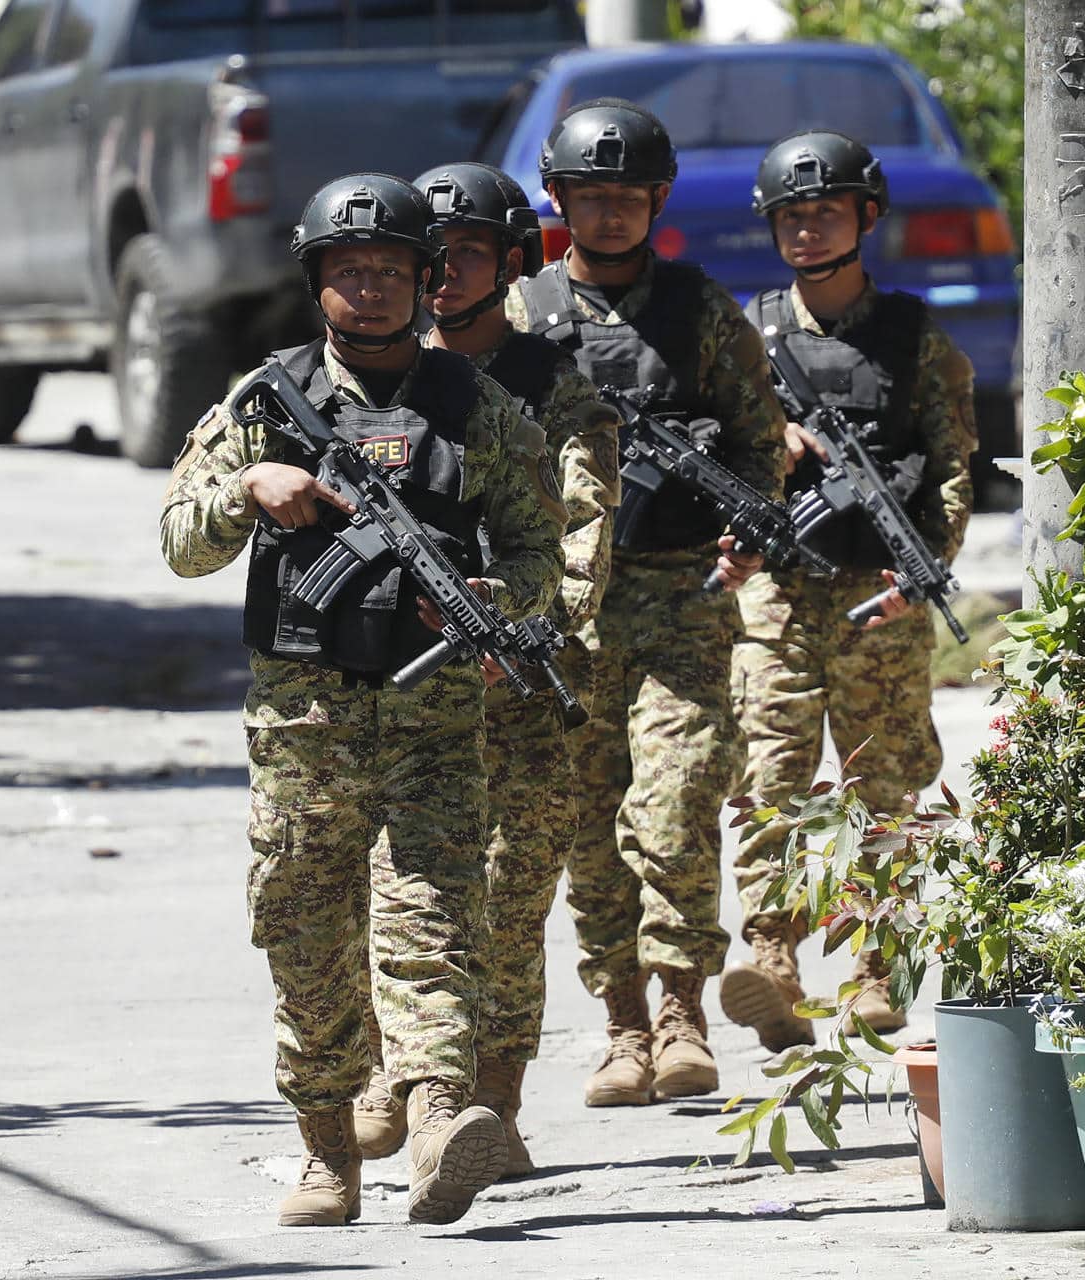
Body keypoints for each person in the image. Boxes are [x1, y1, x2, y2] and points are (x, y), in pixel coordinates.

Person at [159, 172, 565, 1227]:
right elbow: (177, 540)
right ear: (317, 282)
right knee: (304, 933)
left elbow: (538, 548)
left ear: (431, 281)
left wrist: (494, 596)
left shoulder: (476, 407)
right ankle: (328, 1147)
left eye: (394, 271)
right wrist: (248, 492)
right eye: (351, 272)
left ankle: (438, 1119)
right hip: (303, 723)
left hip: (432, 718)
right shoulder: (266, 399)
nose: (373, 291)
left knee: (432, 915)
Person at [505, 98, 788, 1105]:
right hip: (566, 613)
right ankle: (622, 1024)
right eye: (592, 196)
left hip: (680, 596)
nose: (611, 214)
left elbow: (758, 439)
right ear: (559, 200)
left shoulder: (701, 309)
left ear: (657, 201)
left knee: (673, 805)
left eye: (628, 197)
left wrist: (750, 527)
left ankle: (682, 1010)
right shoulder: (522, 313)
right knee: (589, 822)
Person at [348, 161, 620, 1177]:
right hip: (397, 683)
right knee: (390, 881)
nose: (448, 272)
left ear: (513, 263)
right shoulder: (382, 373)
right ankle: (401, 1076)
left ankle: (490, 1104)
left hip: (522, 683)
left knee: (507, 900)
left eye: (469, 253)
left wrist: (522, 624)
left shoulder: (557, 391)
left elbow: (584, 538)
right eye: (436, 254)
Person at [719, 131, 976, 1052]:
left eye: (824, 211)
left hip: (881, 593)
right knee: (770, 778)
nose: (806, 228)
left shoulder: (915, 337)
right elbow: (705, 452)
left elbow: (951, 466)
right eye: (790, 214)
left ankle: (877, 961)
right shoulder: (748, 340)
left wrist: (924, 570)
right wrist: (768, 441)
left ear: (866, 217)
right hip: (781, 594)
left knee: (884, 784)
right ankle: (771, 955)